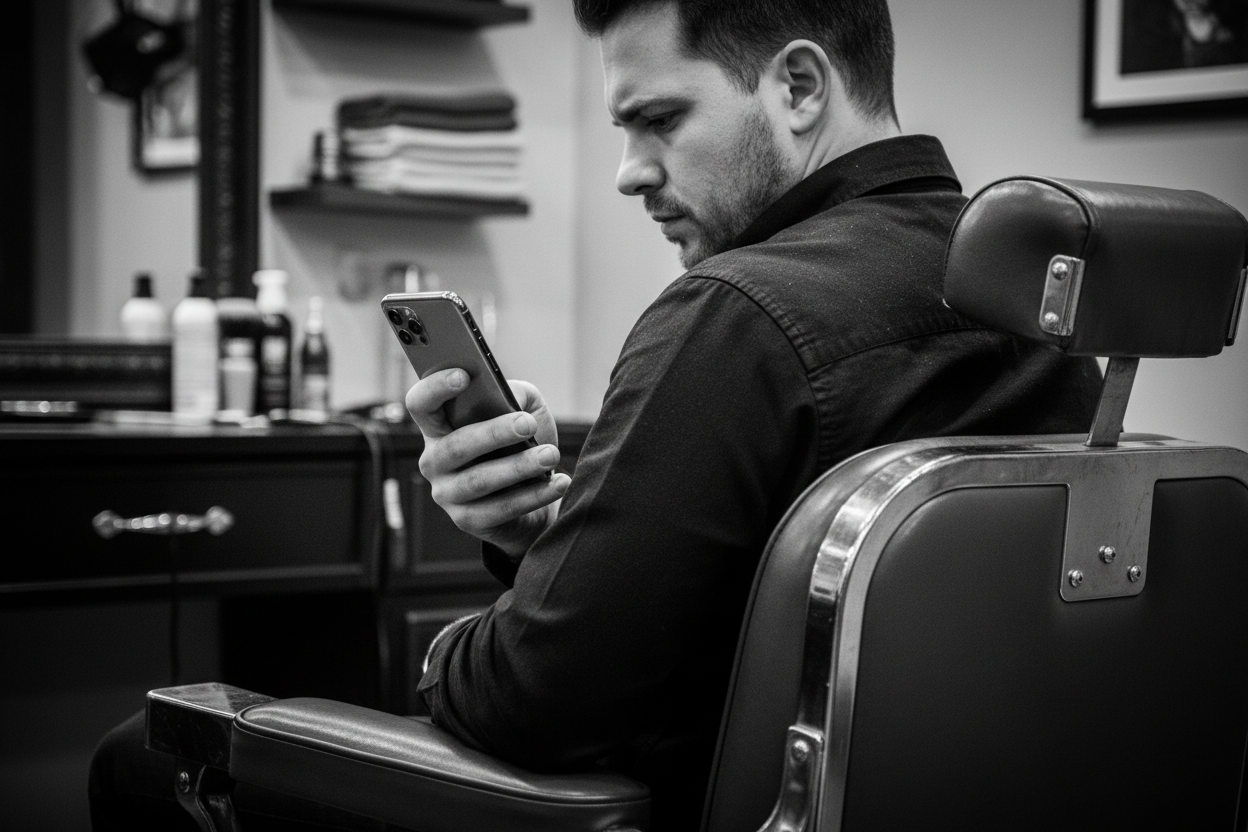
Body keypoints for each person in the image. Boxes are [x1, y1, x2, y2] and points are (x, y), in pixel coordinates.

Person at [407, 1, 1102, 830]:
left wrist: (441, 655)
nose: (629, 171)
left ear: (800, 86)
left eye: (659, 119)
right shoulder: (1031, 305)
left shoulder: (735, 316)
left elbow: (535, 701)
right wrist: (543, 542)